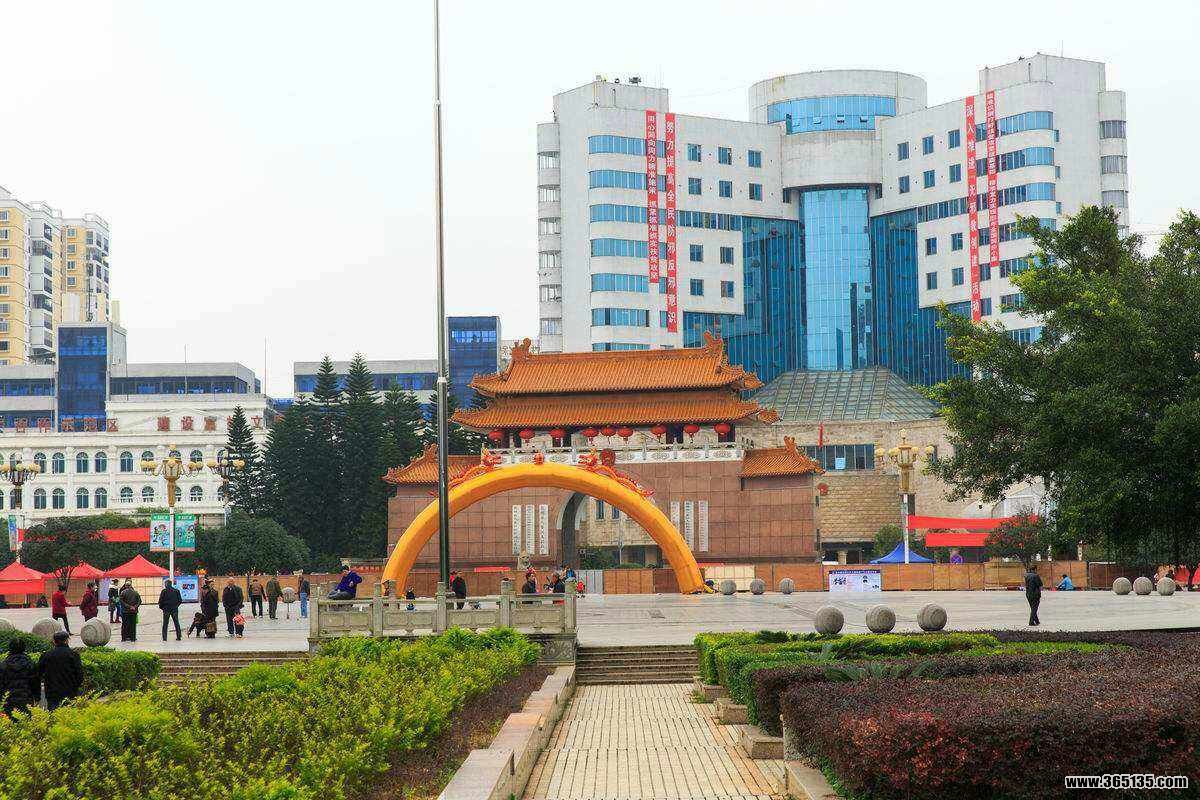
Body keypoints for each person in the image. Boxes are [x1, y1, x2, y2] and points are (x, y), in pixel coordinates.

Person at [38, 630, 83, 711]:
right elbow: (79, 674)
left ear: (54, 641)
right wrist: (76, 686)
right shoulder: (73, 654)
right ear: (67, 641)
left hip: (52, 691)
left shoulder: (46, 655)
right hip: (70, 690)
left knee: (54, 714)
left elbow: (39, 672)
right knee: (69, 714)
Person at [0, 638, 40, 716]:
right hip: (26, 698)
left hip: (8, 699)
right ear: (24, 648)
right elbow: (35, 683)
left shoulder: (3, 665)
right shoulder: (30, 664)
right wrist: (37, 697)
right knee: (26, 721)